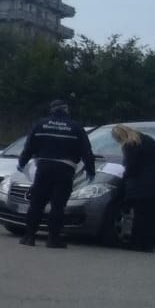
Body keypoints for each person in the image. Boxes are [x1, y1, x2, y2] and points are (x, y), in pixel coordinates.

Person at [15, 99, 94, 248]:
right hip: (65, 169)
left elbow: (29, 146)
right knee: (58, 205)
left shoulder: (40, 124)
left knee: (37, 203)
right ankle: (53, 239)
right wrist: (90, 171)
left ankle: (29, 236)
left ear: (52, 110)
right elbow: (86, 151)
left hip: (43, 167)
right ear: (65, 110)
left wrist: (22, 162)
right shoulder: (76, 127)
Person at [113, 124, 155, 252]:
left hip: (143, 186)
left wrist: (123, 178)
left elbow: (131, 167)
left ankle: (137, 243)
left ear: (120, 136)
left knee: (141, 215)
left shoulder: (130, 144)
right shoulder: (147, 140)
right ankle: (148, 244)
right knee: (153, 216)